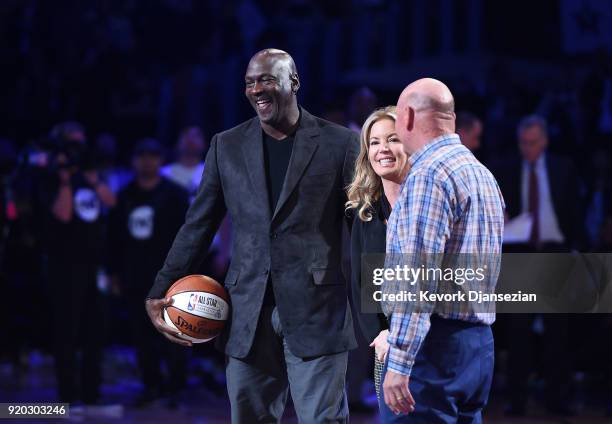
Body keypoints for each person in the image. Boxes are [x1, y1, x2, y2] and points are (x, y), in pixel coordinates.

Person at [145, 49, 359, 423]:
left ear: (294, 82)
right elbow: (198, 225)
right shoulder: (225, 146)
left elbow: (364, 228)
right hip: (246, 311)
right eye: (249, 82)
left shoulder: (340, 144)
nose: (257, 89)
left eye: (267, 79)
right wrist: (161, 288)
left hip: (318, 311)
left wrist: (384, 303)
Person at [381, 78, 505, 422]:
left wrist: (401, 360)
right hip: (478, 348)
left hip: (434, 351)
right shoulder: (482, 174)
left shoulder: (429, 175)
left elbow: (417, 277)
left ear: (406, 117)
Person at [492, 115, 581, 416]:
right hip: (519, 253)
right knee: (518, 331)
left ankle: (557, 398)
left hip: (555, 253)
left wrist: (575, 251)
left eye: (531, 143)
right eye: (522, 143)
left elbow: (575, 212)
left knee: (558, 331)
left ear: (544, 141)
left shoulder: (563, 169)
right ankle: (517, 400)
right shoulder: (506, 169)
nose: (526, 148)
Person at [109, 139, 190, 407]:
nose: (147, 161)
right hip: (135, 275)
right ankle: (151, 385)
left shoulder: (175, 194)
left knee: (174, 332)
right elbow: (115, 237)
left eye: (152, 156)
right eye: (142, 156)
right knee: (141, 334)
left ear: (160, 160)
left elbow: (188, 235)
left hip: (170, 276)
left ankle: (176, 387)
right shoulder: (125, 194)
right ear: (134, 160)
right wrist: (114, 273)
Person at [41, 122, 116, 406]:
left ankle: (92, 392)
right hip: (64, 266)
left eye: (80, 143)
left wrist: (93, 178)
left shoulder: (92, 176)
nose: (77, 149)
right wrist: (64, 179)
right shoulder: (50, 178)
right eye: (71, 143)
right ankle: (67, 394)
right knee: (66, 331)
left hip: (95, 265)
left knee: (95, 330)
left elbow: (111, 201)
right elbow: (62, 214)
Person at [346, 106, 410, 403]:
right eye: (374, 142)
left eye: (393, 139)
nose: (383, 149)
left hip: (429, 344)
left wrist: (399, 334)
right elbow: (363, 285)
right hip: (384, 348)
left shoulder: (428, 203)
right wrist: (380, 335)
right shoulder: (365, 212)